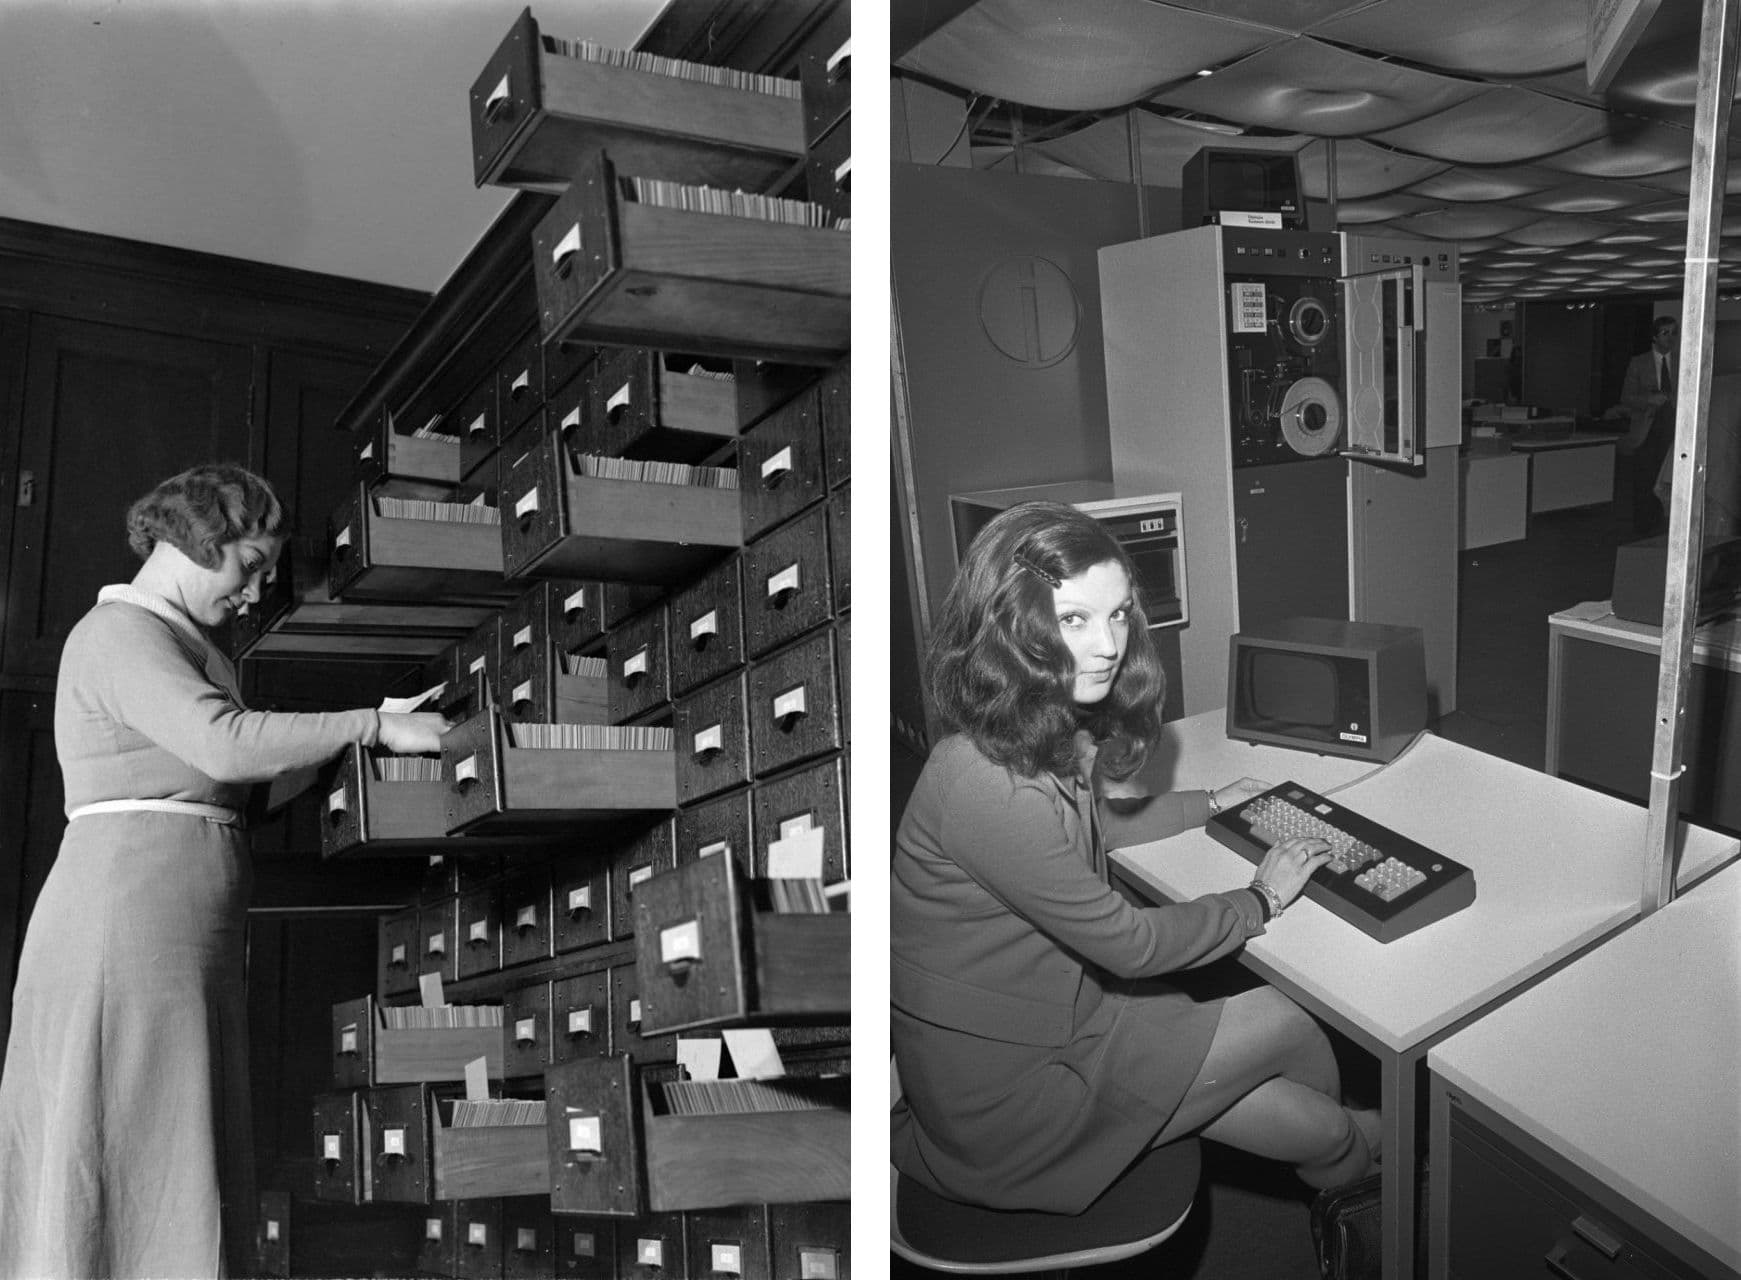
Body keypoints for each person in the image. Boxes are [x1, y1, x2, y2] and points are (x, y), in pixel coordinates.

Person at [0, 463, 449, 1279]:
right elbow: (222, 745)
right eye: (247, 566)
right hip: (120, 929)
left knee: (168, 1141)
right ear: (195, 539)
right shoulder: (117, 635)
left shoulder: (187, 644)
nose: (253, 593)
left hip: (171, 936)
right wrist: (370, 726)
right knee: (120, 1135)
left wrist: (362, 738)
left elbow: (240, 784)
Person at [891, 501, 1379, 1220]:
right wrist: (1259, 900)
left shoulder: (1023, 728)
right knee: (1289, 1018)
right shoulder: (984, 783)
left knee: (1327, 1132)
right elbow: (1130, 944)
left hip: (1049, 1026)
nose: (1108, 644)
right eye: (1073, 619)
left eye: (1118, 614)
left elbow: (1095, 830)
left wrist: (1207, 802)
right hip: (1012, 1099)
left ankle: (1354, 1179)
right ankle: (1370, 1179)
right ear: (1009, 629)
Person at [1618, 316, 1679, 535]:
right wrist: (1648, 400)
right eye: (1665, 333)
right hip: (1647, 431)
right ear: (1654, 336)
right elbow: (1626, 398)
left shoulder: (1683, 362)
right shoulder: (1639, 363)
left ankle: (1668, 530)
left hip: (1674, 432)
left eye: (1673, 333)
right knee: (1644, 482)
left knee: (1670, 483)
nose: (1670, 338)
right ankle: (1643, 530)